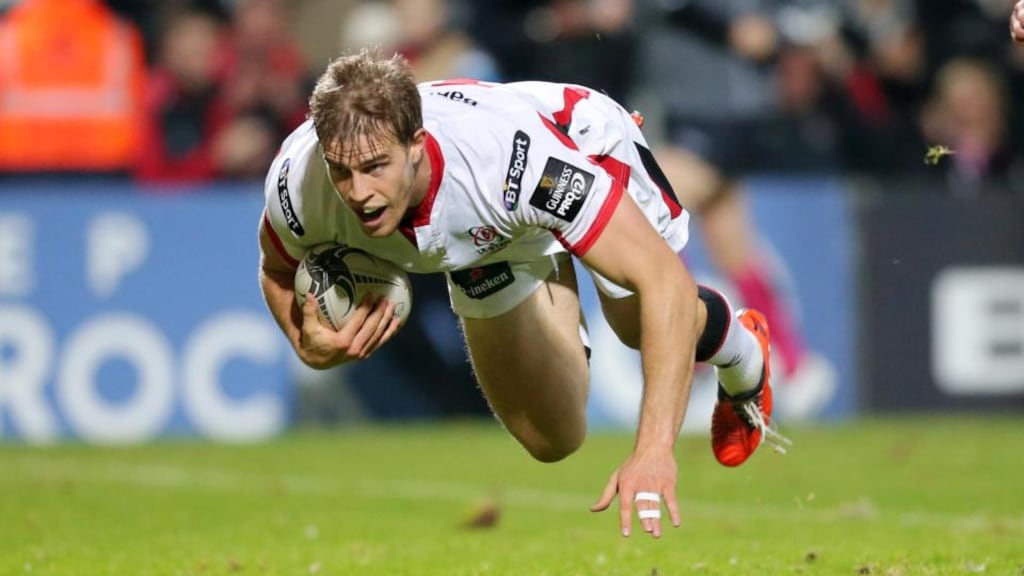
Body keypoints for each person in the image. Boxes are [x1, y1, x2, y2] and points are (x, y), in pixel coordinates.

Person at [257, 48, 788, 539]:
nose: (357, 193)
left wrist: (653, 451)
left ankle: (743, 356)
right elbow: (276, 268)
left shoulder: (514, 163)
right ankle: (531, 263)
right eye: (341, 171)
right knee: (551, 439)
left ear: (416, 147)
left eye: (375, 168)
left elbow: (664, 284)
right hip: (489, 229)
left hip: (578, 148)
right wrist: (305, 343)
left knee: (636, 323)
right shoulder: (299, 183)